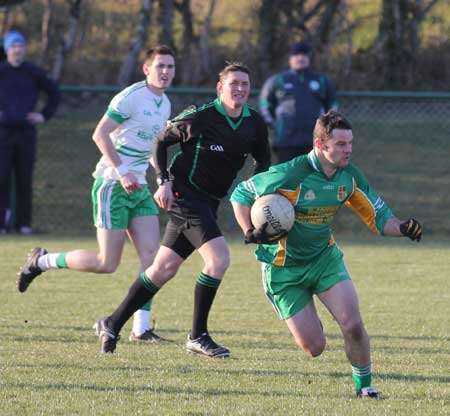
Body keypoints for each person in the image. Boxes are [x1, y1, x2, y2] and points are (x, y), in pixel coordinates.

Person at [230, 110, 422, 398]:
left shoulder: (349, 177)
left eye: (350, 143)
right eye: (341, 144)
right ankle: (304, 315)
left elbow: (379, 218)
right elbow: (241, 194)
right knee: (314, 347)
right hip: (283, 269)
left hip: (324, 260)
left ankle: (364, 387)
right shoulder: (290, 173)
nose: (349, 150)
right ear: (320, 144)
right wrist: (249, 231)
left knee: (353, 324)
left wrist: (404, 227)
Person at [93, 62, 271, 356]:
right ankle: (198, 335)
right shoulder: (201, 117)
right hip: (184, 195)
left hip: (210, 202)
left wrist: (255, 191)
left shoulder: (254, 122)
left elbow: (263, 160)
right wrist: (162, 182)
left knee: (163, 269)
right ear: (220, 88)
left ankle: (111, 323)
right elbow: (159, 143)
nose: (240, 89)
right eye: (233, 84)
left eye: (245, 84)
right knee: (219, 259)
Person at [17, 45, 176, 343]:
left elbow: (155, 147)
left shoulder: (164, 103)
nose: (165, 72)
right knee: (107, 263)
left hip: (139, 187)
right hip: (112, 184)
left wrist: (161, 179)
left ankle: (140, 329)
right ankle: (42, 261)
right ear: (147, 69)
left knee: (153, 259)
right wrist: (122, 171)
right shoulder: (131, 97)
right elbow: (99, 134)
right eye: (160, 66)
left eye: (170, 66)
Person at [0, 30, 60, 234]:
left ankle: (23, 224)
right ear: (7, 49)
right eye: (13, 46)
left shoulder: (33, 72)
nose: (17, 50)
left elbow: (54, 93)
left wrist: (43, 115)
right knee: (2, 178)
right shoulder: (2, 72)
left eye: (20, 46)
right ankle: (2, 224)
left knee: (24, 179)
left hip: (26, 133)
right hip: (3, 133)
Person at [259, 40, 337, 164]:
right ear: (290, 58)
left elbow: (333, 106)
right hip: (285, 141)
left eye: (304, 54)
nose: (300, 58)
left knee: (313, 179)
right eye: (296, 54)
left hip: (315, 141)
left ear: (309, 57)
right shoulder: (277, 80)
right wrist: (274, 124)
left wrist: (326, 128)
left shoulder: (322, 81)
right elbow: (264, 105)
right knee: (287, 179)